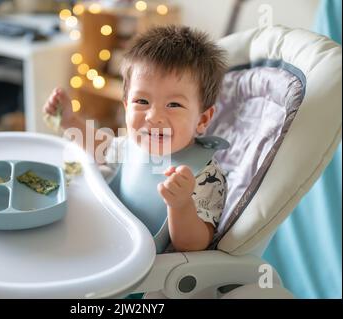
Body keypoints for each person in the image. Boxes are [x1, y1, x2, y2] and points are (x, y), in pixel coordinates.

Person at [43, 25, 228, 252]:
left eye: (174, 105)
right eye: (141, 101)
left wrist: (181, 205)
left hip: (144, 273)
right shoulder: (133, 145)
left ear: (202, 119)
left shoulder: (205, 173)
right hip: (105, 239)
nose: (154, 117)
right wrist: (70, 121)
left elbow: (193, 246)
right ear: (126, 105)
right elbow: (103, 148)